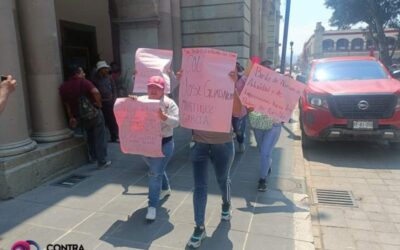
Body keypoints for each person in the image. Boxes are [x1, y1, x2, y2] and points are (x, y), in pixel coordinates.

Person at [177, 69, 243, 248]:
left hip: (223, 144)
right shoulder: (195, 90)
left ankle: (226, 204)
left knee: (223, 179)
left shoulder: (224, 89)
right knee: (200, 186)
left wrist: (233, 86)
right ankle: (199, 227)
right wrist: (183, 84)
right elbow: (182, 113)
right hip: (199, 144)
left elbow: (239, 111)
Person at [129, 76, 179, 221]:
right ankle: (166, 188)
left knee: (154, 173)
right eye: (150, 87)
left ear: (163, 89)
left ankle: (152, 206)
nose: (153, 90)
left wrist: (164, 117)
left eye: (157, 87)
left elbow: (177, 123)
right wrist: (131, 103)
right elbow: (132, 115)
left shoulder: (170, 104)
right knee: (156, 169)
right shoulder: (142, 100)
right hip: (145, 144)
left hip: (164, 144)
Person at [59, 65, 111, 169]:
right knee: (100, 136)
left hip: (80, 116)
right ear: (77, 73)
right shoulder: (84, 82)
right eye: (82, 72)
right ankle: (102, 161)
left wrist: (71, 117)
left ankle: (93, 157)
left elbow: (67, 105)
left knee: (90, 135)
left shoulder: (63, 87)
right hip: (93, 113)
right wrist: (99, 104)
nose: (84, 74)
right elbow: (95, 92)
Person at [247, 60, 282, 191]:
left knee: (265, 153)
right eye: (265, 69)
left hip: (274, 124)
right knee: (263, 151)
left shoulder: (281, 85)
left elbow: (288, 103)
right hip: (258, 123)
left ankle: (262, 179)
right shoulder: (253, 85)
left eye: (271, 69)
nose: (269, 72)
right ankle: (268, 164)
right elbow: (247, 104)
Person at [94, 60, 119, 142]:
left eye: (106, 68)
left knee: (112, 120)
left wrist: (114, 98)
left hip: (110, 101)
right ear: (101, 70)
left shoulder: (109, 77)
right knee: (103, 121)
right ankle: (102, 138)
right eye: (105, 69)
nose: (107, 70)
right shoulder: (95, 79)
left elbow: (114, 88)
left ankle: (114, 136)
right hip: (101, 102)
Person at [232, 62, 248, 152]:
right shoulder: (226, 78)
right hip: (227, 111)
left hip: (240, 112)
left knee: (239, 131)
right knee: (229, 131)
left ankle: (241, 141)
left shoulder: (244, 79)